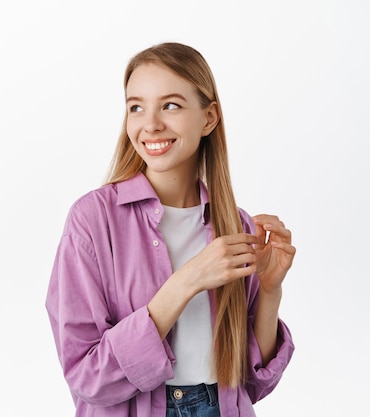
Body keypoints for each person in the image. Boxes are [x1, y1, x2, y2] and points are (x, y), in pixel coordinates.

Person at [45, 42, 295, 417]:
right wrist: (187, 281)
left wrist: (271, 291)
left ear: (209, 118)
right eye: (136, 107)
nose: (150, 124)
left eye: (171, 105)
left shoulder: (235, 226)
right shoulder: (93, 220)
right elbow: (86, 374)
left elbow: (252, 382)